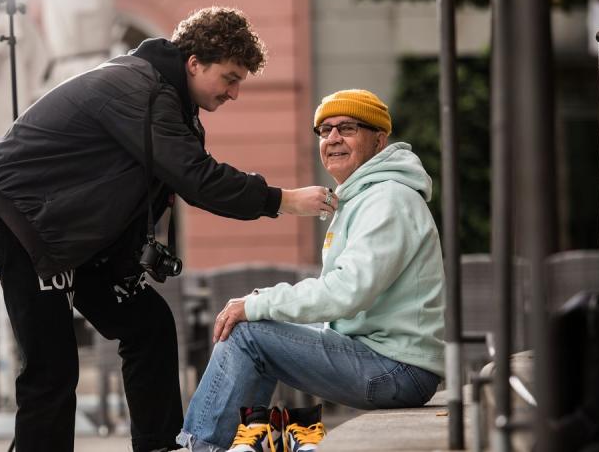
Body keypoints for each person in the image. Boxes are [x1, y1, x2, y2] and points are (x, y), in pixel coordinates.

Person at [0, 7, 336, 452]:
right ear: (194, 63)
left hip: (72, 234)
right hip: (23, 222)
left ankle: (160, 447)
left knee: (149, 325)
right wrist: (281, 200)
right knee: (52, 369)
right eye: (229, 78)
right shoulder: (141, 90)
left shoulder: (169, 100)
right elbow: (196, 178)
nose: (235, 92)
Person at [176, 89, 446, 452]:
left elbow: (347, 292)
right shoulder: (363, 197)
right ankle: (245, 441)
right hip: (383, 359)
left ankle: (200, 447)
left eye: (347, 128)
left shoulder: (388, 199)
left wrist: (258, 303)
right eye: (324, 130)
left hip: (396, 369)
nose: (332, 138)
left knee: (248, 334)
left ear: (379, 140)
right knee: (256, 334)